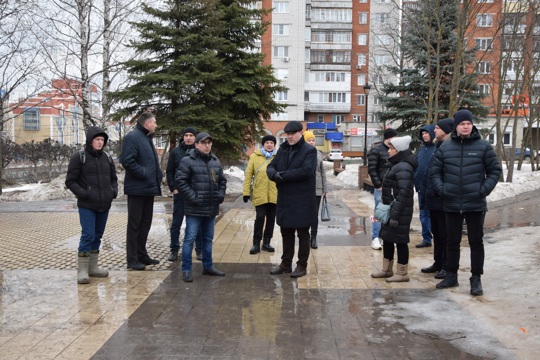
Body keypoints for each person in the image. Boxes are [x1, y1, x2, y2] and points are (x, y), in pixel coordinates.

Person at [431, 109, 501, 296]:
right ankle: (451, 275)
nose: (466, 126)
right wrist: (443, 189)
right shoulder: (445, 147)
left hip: (475, 203)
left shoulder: (483, 146)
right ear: (456, 126)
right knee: (452, 241)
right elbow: (435, 172)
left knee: (476, 242)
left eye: (468, 123)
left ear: (472, 125)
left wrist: (483, 190)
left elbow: (495, 171)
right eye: (462, 124)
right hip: (451, 202)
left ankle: (476, 278)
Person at [66, 126, 118, 284]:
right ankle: (82, 269)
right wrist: (84, 194)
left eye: (102, 140)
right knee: (88, 235)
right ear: (90, 141)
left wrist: (113, 192)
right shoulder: (79, 157)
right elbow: (70, 181)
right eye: (97, 139)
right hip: (87, 205)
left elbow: (114, 178)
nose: (100, 142)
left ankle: (92, 267)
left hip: (104, 204)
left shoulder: (107, 158)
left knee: (98, 236)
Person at [267, 121, 317, 278]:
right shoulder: (283, 149)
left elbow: (306, 171)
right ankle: (286, 264)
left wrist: (282, 176)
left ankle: (302, 265)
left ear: (300, 133)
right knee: (286, 232)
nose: (289, 137)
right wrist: (274, 174)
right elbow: (271, 166)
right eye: (287, 134)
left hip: (302, 199)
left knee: (303, 234)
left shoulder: (309, 150)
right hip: (285, 199)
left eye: (292, 134)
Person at [176, 132, 227, 282]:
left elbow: (222, 181)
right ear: (196, 144)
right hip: (194, 208)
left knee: (208, 238)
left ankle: (208, 266)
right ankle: (186, 269)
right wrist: (194, 198)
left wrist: (220, 195)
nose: (207, 145)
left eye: (209, 143)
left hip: (210, 207)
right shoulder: (187, 161)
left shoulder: (215, 161)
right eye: (204, 143)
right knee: (189, 239)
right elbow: (181, 182)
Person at [371, 135, 417, 282]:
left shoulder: (403, 167)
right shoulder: (396, 164)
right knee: (388, 238)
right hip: (391, 209)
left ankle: (402, 273)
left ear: (399, 150)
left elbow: (403, 194)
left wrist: (395, 215)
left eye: (391, 148)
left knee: (401, 241)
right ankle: (387, 269)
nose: (388, 151)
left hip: (399, 211)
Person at [121, 112, 163, 271]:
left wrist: (157, 175)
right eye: (155, 122)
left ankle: (141, 254)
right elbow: (127, 161)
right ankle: (132, 259)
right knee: (134, 225)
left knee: (145, 224)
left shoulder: (146, 137)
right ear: (147, 124)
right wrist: (144, 173)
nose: (156, 125)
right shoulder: (133, 137)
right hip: (137, 189)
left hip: (148, 188)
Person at [421, 118, 453, 280]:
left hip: (442, 200)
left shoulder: (449, 147)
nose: (434, 130)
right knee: (437, 233)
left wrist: (440, 190)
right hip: (433, 199)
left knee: (445, 234)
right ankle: (438, 263)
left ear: (446, 131)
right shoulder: (437, 146)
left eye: (438, 128)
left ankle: (446, 266)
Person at [165, 127, 202, 262]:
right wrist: (173, 188)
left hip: (195, 193)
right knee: (176, 223)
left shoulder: (199, 152)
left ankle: (199, 250)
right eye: (186, 135)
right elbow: (169, 171)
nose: (188, 137)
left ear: (195, 137)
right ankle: (174, 250)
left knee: (197, 223)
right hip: (180, 193)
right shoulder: (176, 152)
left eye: (191, 135)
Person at [242, 134, 277, 254]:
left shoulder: (278, 157)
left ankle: (266, 243)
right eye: (267, 142)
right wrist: (246, 192)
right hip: (259, 193)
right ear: (263, 144)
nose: (269, 144)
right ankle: (256, 243)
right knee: (260, 218)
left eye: (271, 143)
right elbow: (248, 175)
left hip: (274, 193)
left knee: (271, 219)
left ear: (274, 145)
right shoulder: (254, 156)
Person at [367, 128, 398, 250]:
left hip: (394, 186)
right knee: (379, 211)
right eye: (394, 137)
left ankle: (388, 237)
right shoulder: (376, 150)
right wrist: (378, 185)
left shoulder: (396, 150)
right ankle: (375, 237)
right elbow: (372, 169)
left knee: (392, 211)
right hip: (381, 187)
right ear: (388, 138)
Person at [303, 130, 328, 249]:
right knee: (305, 213)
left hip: (317, 189)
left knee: (314, 214)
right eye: (309, 140)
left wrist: (325, 188)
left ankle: (314, 237)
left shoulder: (318, 154)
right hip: (304, 189)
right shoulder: (301, 153)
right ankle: (305, 236)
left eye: (313, 140)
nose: (312, 142)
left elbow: (322, 172)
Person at [413, 124, 435, 248]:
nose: (425, 135)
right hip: (421, 188)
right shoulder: (421, 150)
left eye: (427, 133)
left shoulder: (437, 148)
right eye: (423, 134)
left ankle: (437, 236)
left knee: (433, 216)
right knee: (423, 215)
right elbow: (417, 166)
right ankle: (426, 238)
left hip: (432, 189)